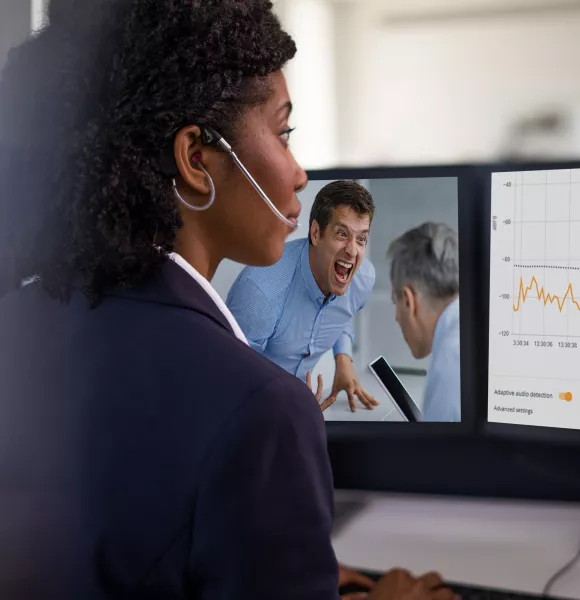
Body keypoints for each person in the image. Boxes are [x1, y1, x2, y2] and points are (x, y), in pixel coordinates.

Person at [0, 1, 454, 598]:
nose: (297, 173)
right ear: (196, 160)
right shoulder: (262, 410)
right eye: (283, 133)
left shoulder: (14, 328)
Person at [227, 180, 380, 413]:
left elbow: (345, 309)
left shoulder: (362, 278)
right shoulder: (259, 293)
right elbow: (231, 379)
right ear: (316, 233)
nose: (352, 250)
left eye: (361, 239)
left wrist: (344, 359)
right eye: (342, 234)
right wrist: (290, 408)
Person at [388, 223, 461, 422]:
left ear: (409, 300)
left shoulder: (450, 362)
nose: (396, 317)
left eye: (396, 303)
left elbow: (436, 452)